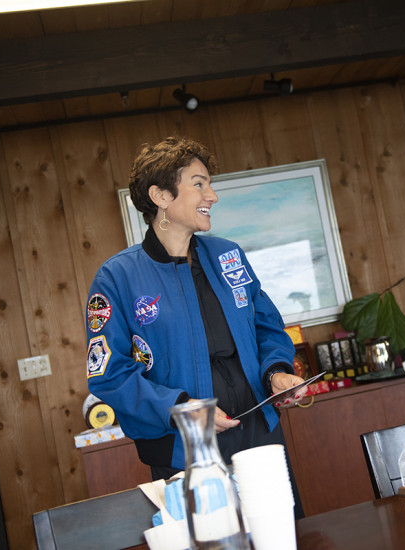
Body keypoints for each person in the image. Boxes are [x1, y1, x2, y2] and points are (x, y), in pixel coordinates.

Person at [85, 137, 307, 512]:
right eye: (199, 184)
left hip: (259, 435)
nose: (212, 196)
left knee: (282, 535)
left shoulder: (229, 255)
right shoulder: (117, 277)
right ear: (160, 196)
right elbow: (109, 374)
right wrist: (184, 408)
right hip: (182, 448)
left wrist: (277, 373)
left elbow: (267, 327)